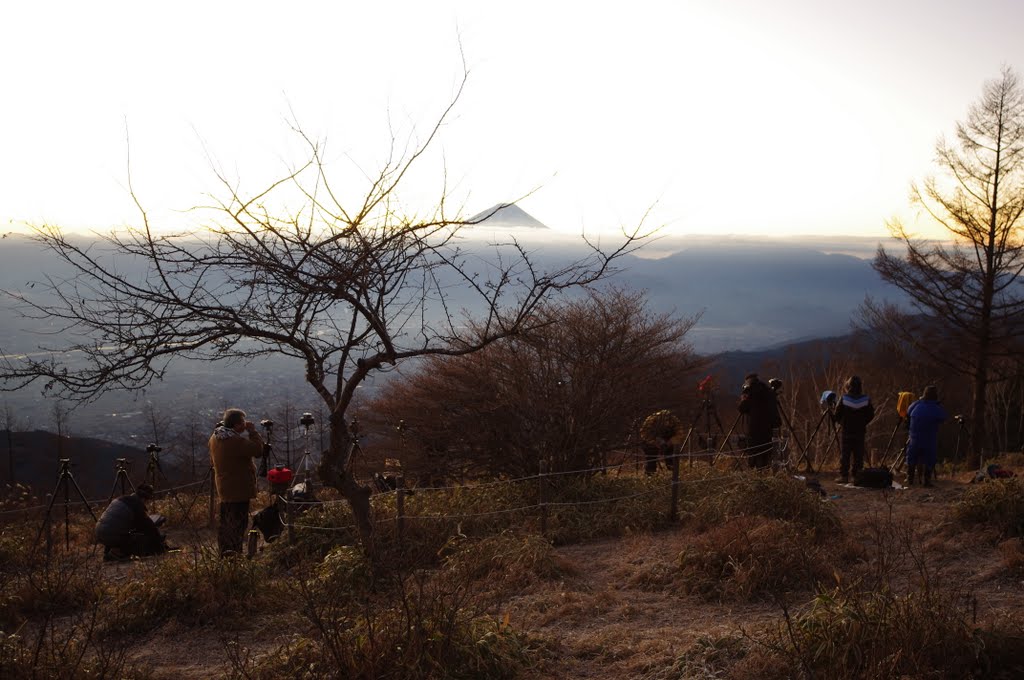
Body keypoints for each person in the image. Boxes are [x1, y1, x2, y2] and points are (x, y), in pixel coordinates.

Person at [209, 408, 265, 556]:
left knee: (225, 523)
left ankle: (225, 553)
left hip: (224, 487)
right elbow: (258, 450)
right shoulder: (236, 441)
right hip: (238, 489)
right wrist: (253, 432)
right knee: (238, 524)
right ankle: (234, 554)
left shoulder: (215, 437)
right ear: (236, 425)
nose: (244, 425)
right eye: (242, 423)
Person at [95, 483, 166, 560]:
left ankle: (110, 552)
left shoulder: (121, 499)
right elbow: (149, 527)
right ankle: (117, 553)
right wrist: (159, 542)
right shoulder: (136, 505)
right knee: (138, 540)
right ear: (144, 499)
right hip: (111, 535)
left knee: (116, 530)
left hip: (98, 533)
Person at [832, 375, 875, 484]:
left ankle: (844, 476)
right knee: (858, 455)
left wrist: (843, 423)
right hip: (860, 431)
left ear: (849, 386)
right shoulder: (866, 399)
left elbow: (836, 415)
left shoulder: (844, 398)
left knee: (845, 454)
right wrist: (863, 423)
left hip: (847, 431)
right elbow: (871, 415)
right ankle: (857, 476)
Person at [905, 385, 947, 487]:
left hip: (914, 438)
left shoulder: (916, 404)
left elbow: (908, 412)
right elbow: (943, 417)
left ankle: (909, 478)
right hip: (929, 439)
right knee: (930, 458)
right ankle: (926, 481)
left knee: (911, 457)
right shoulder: (936, 408)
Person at [737, 373, 781, 469]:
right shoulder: (768, 392)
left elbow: (741, 408)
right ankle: (764, 473)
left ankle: (753, 474)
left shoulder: (749, 392)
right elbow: (775, 415)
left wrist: (743, 399)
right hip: (767, 431)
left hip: (752, 432)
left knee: (752, 457)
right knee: (765, 458)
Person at [639, 410, 684, 475]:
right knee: (651, 459)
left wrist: (670, 442)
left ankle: (673, 476)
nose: (667, 423)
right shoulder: (652, 420)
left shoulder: (674, 421)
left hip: (668, 442)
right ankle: (650, 475)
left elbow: (679, 434)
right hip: (652, 442)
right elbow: (644, 433)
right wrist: (654, 442)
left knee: (671, 459)